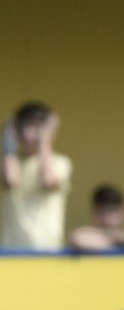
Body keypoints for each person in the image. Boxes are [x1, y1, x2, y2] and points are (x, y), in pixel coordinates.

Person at [1, 102, 72, 251]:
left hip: (48, 250)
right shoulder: (9, 163)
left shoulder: (60, 163)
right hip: (10, 250)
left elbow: (48, 181)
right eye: (27, 126)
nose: (31, 134)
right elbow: (10, 180)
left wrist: (44, 142)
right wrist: (8, 137)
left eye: (38, 127)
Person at [70, 184, 124, 253]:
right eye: (101, 212)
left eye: (112, 211)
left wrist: (115, 238)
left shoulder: (123, 237)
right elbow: (78, 239)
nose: (106, 218)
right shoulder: (84, 235)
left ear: (121, 213)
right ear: (93, 213)